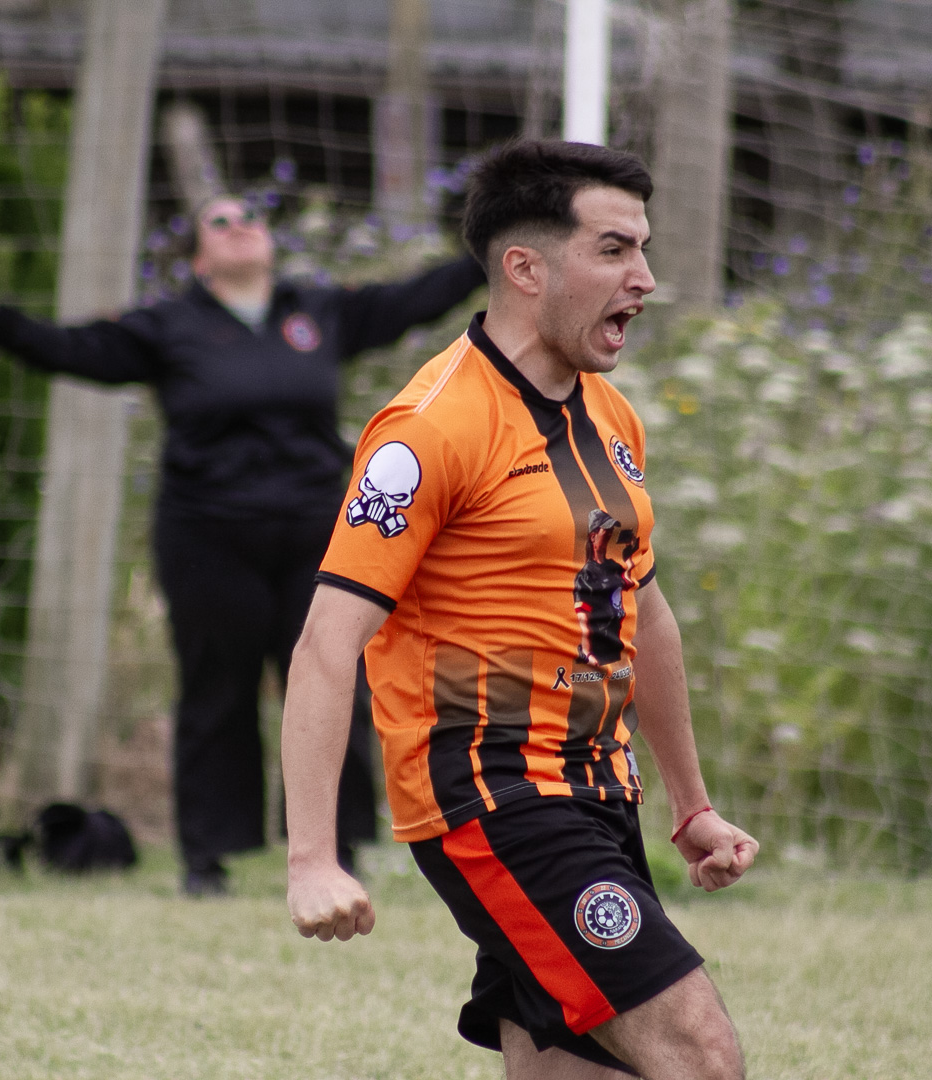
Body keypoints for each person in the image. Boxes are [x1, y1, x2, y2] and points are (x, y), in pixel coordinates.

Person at [281, 139, 757, 1079]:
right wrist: (311, 860)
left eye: (644, 249)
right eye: (614, 249)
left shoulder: (610, 417)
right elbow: (327, 645)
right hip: (494, 795)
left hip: (598, 790)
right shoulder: (427, 430)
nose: (645, 279)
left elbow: (646, 615)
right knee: (699, 1053)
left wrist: (690, 804)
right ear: (527, 268)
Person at [0, 195, 485, 896]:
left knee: (331, 677)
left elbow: (412, 300)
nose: (241, 227)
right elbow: (77, 350)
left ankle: (335, 847)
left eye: (251, 216)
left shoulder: (317, 311)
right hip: (207, 534)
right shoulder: (169, 325)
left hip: (316, 534)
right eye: (220, 221)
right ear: (199, 256)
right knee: (216, 689)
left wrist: (490, 254)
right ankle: (207, 857)